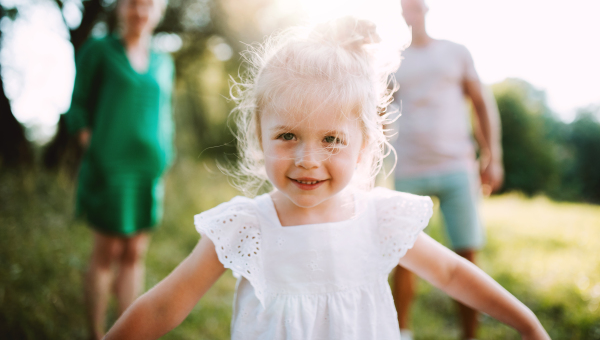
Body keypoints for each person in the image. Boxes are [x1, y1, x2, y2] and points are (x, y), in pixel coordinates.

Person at [103, 17, 548, 340]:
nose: (307, 159)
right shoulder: (246, 225)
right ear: (259, 134)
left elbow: (451, 273)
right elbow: (166, 304)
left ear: (365, 143)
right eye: (288, 135)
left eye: (332, 138)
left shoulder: (379, 218)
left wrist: (525, 322)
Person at [65, 0, 175, 340]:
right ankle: (97, 333)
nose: (139, 10)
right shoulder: (99, 50)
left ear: (157, 11)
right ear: (120, 8)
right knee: (107, 252)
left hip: (147, 170)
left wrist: (166, 158)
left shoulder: (163, 61)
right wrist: (92, 147)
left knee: (134, 253)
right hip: (109, 167)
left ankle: (125, 333)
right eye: (132, 2)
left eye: (147, 4)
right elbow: (78, 107)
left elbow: (165, 114)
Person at [391, 0, 504, 340]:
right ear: (402, 14)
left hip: (457, 166)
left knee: (466, 255)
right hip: (409, 167)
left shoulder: (455, 52)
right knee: (401, 255)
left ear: (426, 7)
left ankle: (469, 336)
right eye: (406, 7)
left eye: (416, 4)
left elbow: (481, 104)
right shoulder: (393, 60)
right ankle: (400, 332)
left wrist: (493, 156)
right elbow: (377, 114)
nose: (413, 11)